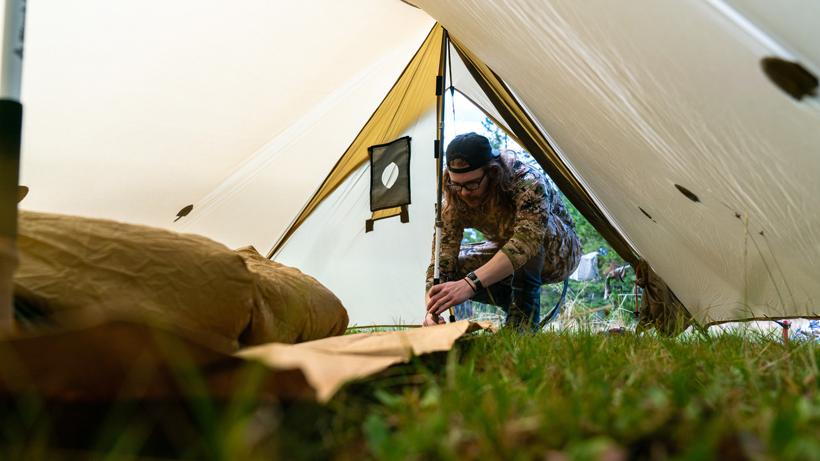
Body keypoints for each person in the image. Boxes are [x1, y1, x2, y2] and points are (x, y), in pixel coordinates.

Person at [424, 132, 581, 330]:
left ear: (492, 173)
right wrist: (432, 309)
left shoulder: (527, 182)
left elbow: (527, 241)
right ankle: (515, 304)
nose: (463, 192)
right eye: (457, 184)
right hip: (507, 251)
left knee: (530, 237)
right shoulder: (454, 197)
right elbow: (441, 261)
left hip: (558, 254)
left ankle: (522, 324)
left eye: (472, 184)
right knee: (456, 269)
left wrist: (470, 284)